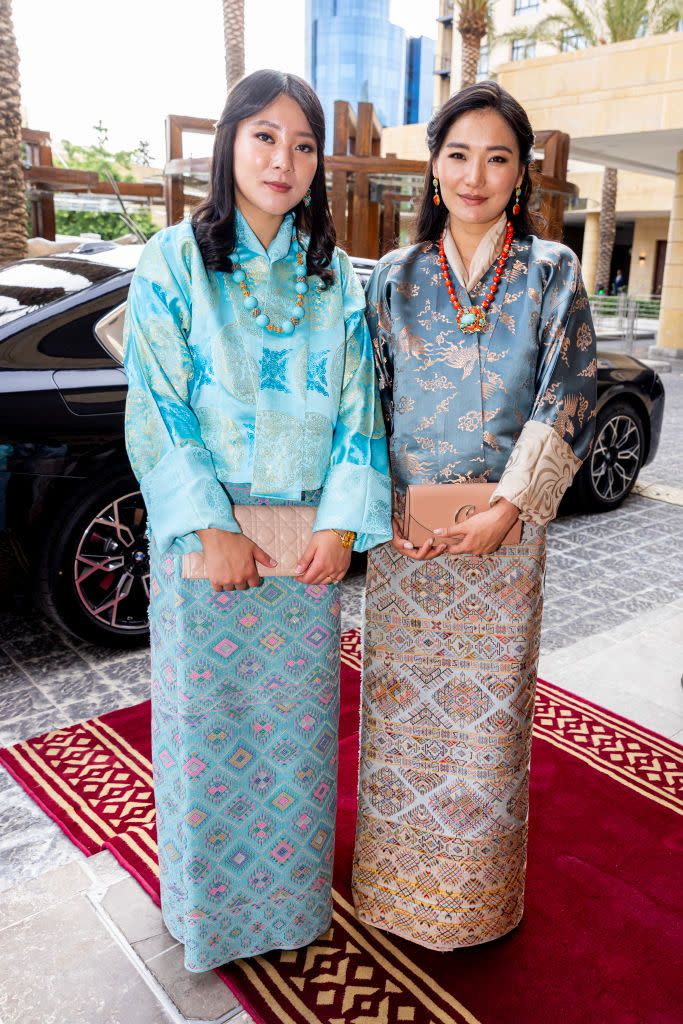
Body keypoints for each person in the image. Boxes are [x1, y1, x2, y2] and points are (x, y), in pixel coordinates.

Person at [123, 69, 392, 971]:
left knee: (297, 743)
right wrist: (210, 524)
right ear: (229, 143)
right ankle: (212, 919)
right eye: (265, 137)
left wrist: (341, 527)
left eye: (303, 144)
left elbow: (359, 406)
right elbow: (156, 402)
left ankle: (288, 911)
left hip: (304, 552)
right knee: (209, 735)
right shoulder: (173, 260)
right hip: (211, 551)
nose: (284, 160)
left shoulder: (333, 279)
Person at [351, 81, 597, 950]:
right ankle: (393, 893)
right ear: (432, 170)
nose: (475, 174)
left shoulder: (550, 272)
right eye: (458, 155)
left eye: (497, 158)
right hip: (407, 543)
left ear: (520, 176)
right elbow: (364, 405)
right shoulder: (392, 276)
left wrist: (507, 509)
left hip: (503, 538)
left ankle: (477, 904)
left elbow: (568, 387)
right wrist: (379, 516)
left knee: (488, 726)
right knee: (399, 717)